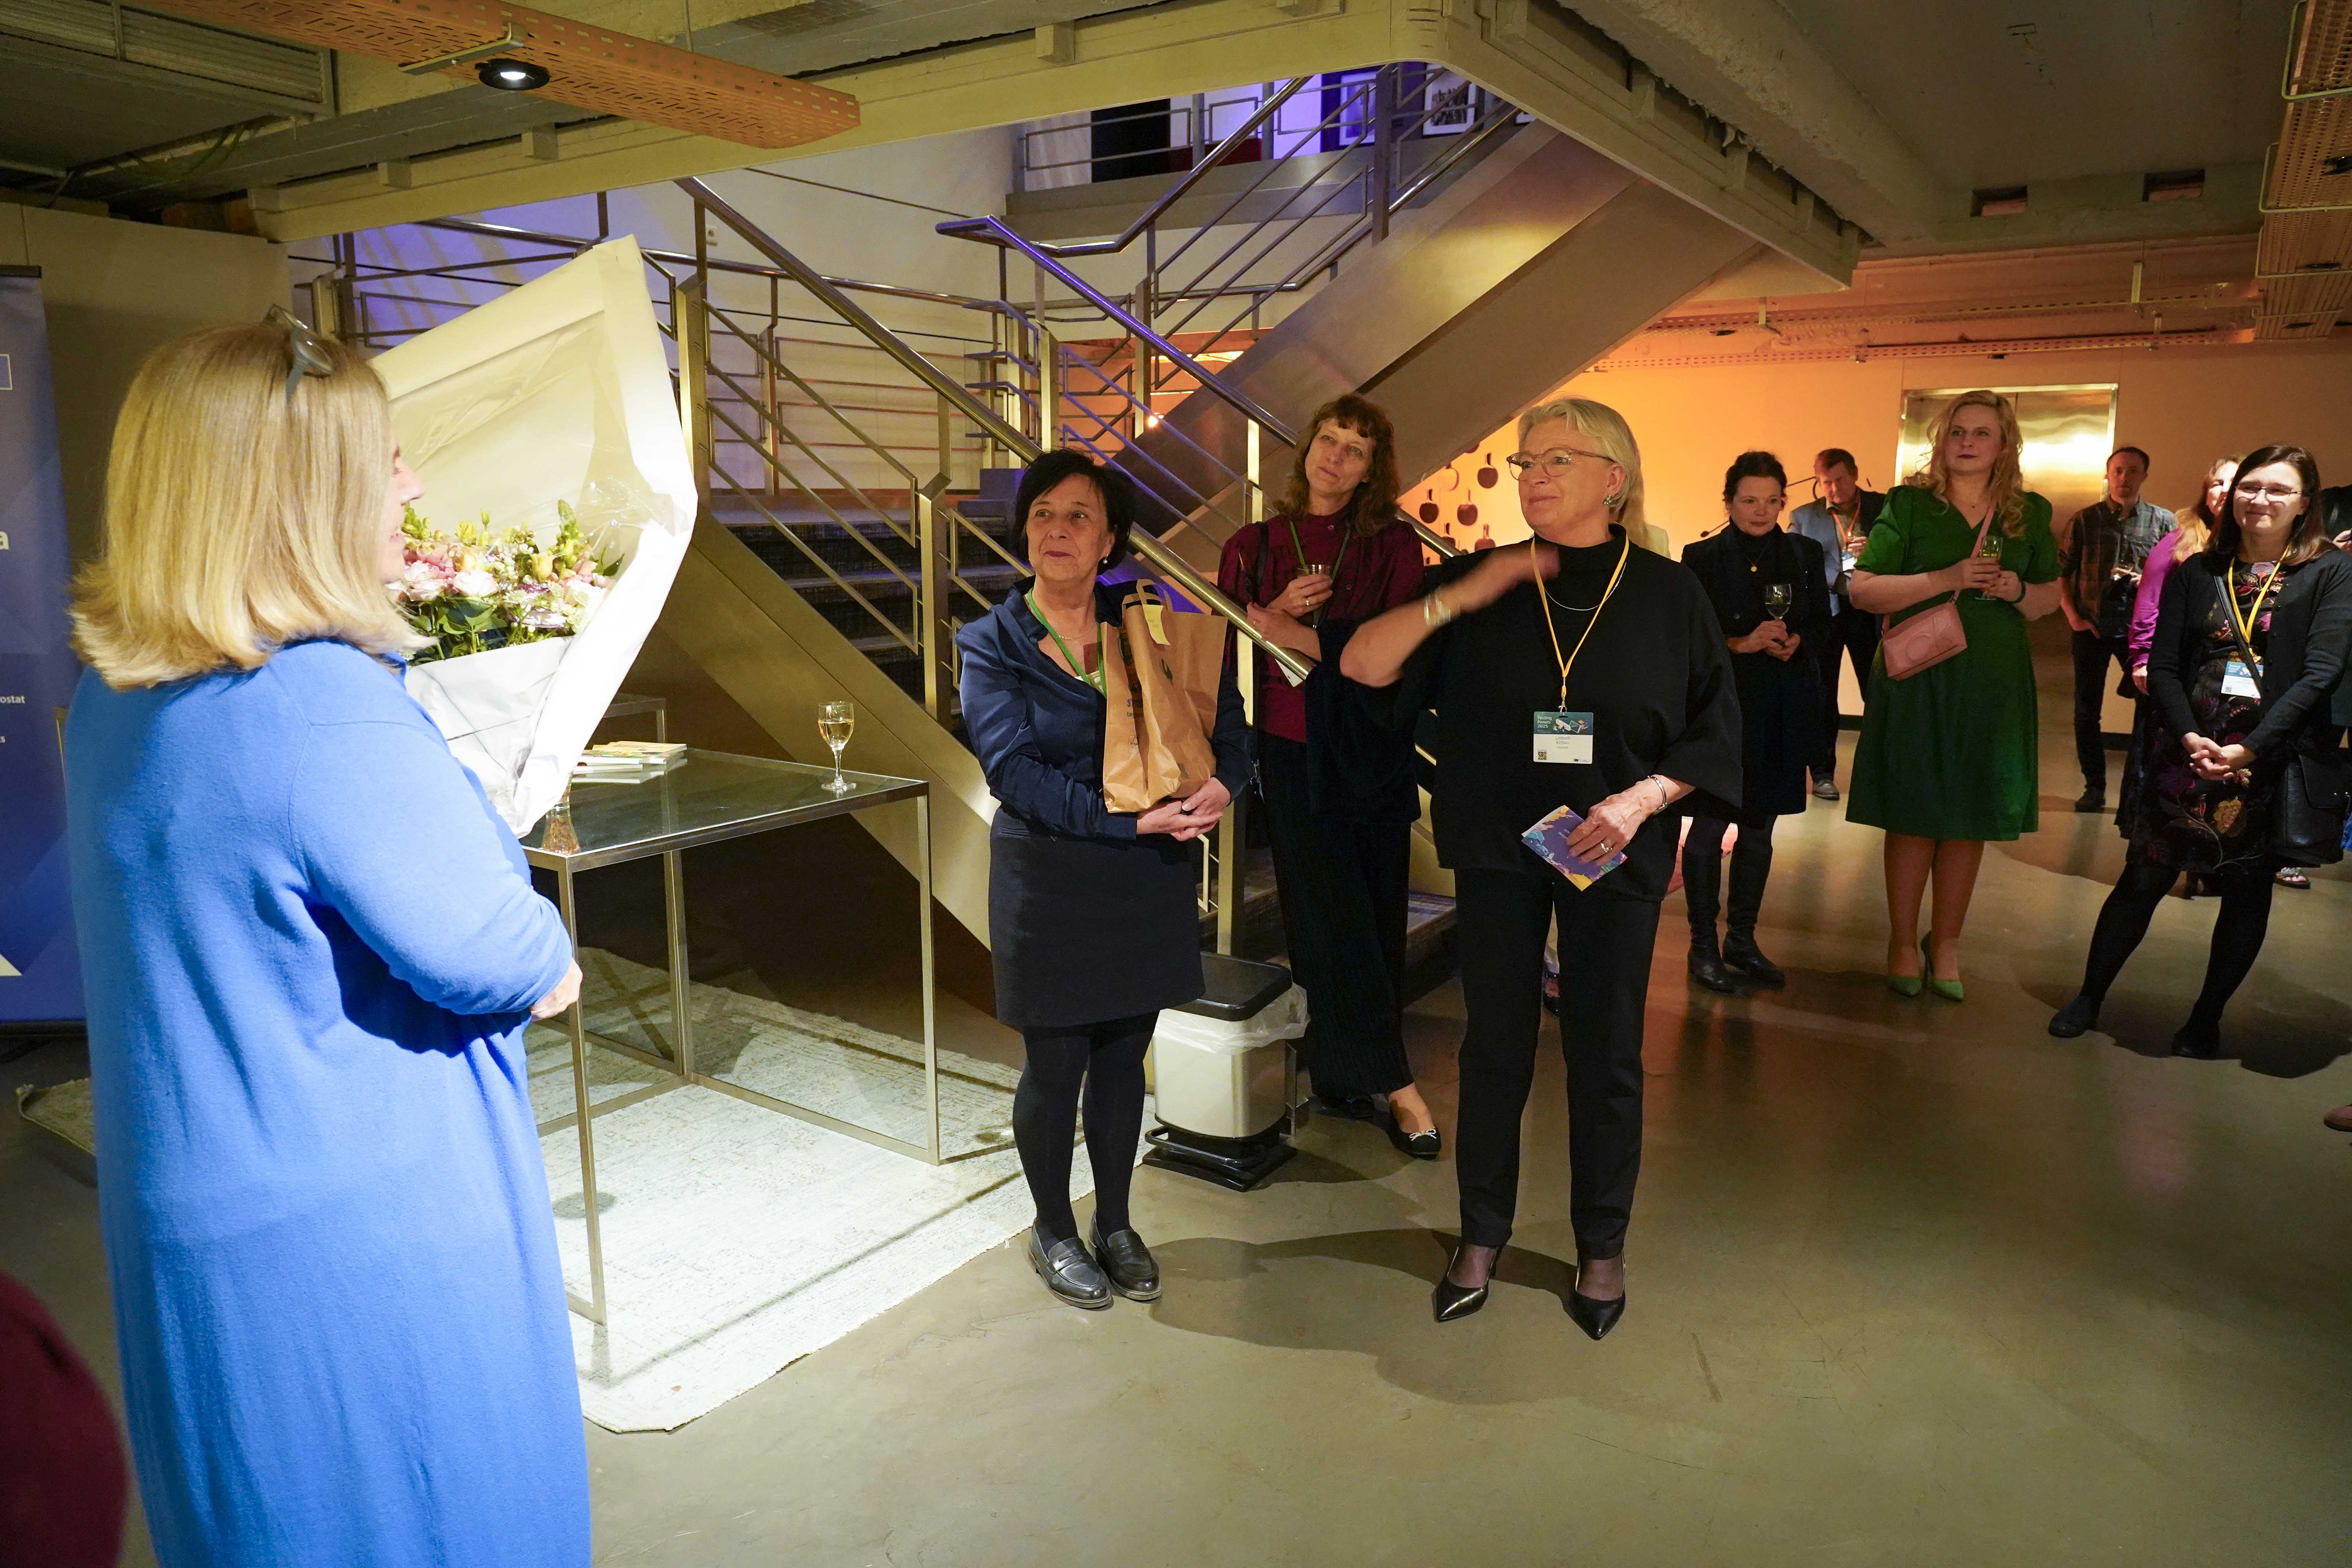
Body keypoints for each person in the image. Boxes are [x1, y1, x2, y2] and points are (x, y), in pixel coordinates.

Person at [62, 319, 590, 1565]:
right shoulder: (316, 705)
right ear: (298, 496)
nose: (409, 484)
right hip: (361, 1242)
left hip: (200, 1217)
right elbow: (507, 955)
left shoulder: (113, 694)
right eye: (384, 458)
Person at [1341, 397, 1740, 1338]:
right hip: (1498, 844)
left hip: (1612, 844)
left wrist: (1641, 800)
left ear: (1615, 478)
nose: (1535, 475)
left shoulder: (1669, 593)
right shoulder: (1481, 579)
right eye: (1526, 461)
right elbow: (1362, 666)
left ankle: (1602, 1244)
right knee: (1495, 1046)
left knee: (1606, 1053)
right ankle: (1482, 1231)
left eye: (1559, 458)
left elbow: (1715, 728)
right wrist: (1456, 596)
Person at [957, 449, 1252, 1310]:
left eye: (1079, 515)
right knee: (1055, 1065)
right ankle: (1054, 1228)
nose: (1058, 530)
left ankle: (1116, 1222)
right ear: (1024, 532)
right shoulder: (992, 641)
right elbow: (1014, 774)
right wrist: (1127, 822)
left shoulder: (1150, 628)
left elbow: (1228, 729)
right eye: (1044, 514)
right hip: (1050, 878)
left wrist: (1226, 785)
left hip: (1144, 877)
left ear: (1110, 539)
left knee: (1124, 1060)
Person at [2050, 446, 2352, 1056]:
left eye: (2278, 490)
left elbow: (2321, 673)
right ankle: (2089, 996)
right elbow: (2163, 666)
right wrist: (2190, 737)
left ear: (2304, 504)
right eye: (2250, 487)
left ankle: (2205, 1018)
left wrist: (2250, 750)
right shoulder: (2199, 570)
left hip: (2270, 758)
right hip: (2186, 750)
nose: (2260, 499)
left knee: (2246, 890)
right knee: (2144, 876)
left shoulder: (2329, 573)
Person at [1216, 396, 1436, 1156]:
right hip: (1291, 748)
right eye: (1328, 440)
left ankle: (1350, 1072)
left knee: (1376, 914)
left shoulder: (1394, 546)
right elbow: (1225, 652)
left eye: (1355, 449)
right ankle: (1393, 1082)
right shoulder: (1251, 546)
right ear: (1306, 447)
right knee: (1323, 918)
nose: (1336, 457)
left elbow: (1397, 652)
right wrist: (1272, 611)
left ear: (1374, 469)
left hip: (1371, 748)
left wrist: (1296, 632)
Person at [1846, 389, 2062, 1000]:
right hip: (1918, 678)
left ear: (2005, 444)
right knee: (1913, 813)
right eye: (1957, 431)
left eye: (1981, 433)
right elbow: (1863, 591)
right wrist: (1947, 578)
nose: (1967, 442)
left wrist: (2017, 590)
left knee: (1969, 816)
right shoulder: (1910, 505)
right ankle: (1900, 941)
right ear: (1942, 441)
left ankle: (1946, 944)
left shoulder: (2030, 512)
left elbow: (2049, 601)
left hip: (1992, 683)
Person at [1679, 452, 1831, 992]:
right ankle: (1702, 946)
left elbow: (1823, 626)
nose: (1761, 510)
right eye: (1749, 500)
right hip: (1722, 709)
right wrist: (1740, 643)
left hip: (1780, 706)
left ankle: (1741, 940)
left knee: (1761, 826)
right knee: (1710, 824)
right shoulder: (1700, 557)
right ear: (1728, 502)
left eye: (1772, 501)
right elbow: (1689, 638)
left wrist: (1797, 643)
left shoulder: (1804, 553)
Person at [2121, 456, 2237, 889]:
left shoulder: (2258, 547)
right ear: (2206, 490)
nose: (2224, 491)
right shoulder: (2180, 537)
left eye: (2234, 483)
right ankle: (2162, 853)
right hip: (2175, 670)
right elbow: (2149, 600)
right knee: (2170, 765)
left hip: (2226, 677)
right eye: (2217, 482)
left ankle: (2213, 858)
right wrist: (2142, 657)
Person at [2058, 447, 2176, 812]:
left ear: (2145, 476)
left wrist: (2147, 583)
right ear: (2108, 475)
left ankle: (2141, 790)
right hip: (2090, 627)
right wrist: (2073, 618)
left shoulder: (2164, 522)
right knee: (2086, 711)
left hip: (2139, 633)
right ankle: (2094, 787)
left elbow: (2177, 577)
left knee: (2152, 708)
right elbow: (2059, 573)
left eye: (2133, 471)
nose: (2124, 478)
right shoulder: (2085, 520)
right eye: (2118, 471)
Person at [1786, 447, 1886, 800]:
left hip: (1870, 610)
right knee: (1822, 695)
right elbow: (1792, 567)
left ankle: (1881, 773)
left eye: (1840, 480)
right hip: (1826, 613)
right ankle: (1822, 774)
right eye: (1825, 482)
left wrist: (1876, 550)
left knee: (1877, 691)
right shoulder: (1803, 517)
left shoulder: (1883, 508)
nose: (1833, 489)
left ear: (1855, 474)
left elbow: (1905, 555)